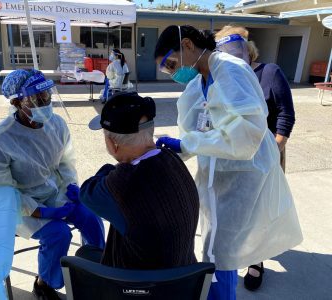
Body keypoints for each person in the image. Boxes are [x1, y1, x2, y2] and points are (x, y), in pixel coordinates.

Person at [154, 25, 302, 300]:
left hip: (245, 176)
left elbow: (247, 134)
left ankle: (220, 296)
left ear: (187, 45)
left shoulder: (231, 70)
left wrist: (187, 145)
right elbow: (190, 133)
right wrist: (166, 152)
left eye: (171, 64)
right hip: (215, 179)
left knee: (222, 252)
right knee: (217, 249)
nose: (174, 74)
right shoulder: (196, 86)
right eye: (167, 71)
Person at [0, 69, 105, 300]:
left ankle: (93, 268)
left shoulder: (56, 124)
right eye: (36, 98)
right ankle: (45, 283)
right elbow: (3, 194)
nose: (45, 103)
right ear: (16, 102)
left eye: (47, 95)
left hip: (53, 190)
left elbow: (65, 161)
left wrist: (71, 186)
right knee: (58, 234)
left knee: (91, 217)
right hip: (18, 204)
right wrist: (39, 211)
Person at [77, 91, 200, 269]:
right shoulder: (172, 159)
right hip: (181, 276)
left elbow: (87, 192)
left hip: (138, 285)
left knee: (83, 254)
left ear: (112, 143)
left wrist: (118, 167)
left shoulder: (123, 182)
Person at [215, 25, 296, 291]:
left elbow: (285, 115)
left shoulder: (269, 73)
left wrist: (274, 150)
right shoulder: (223, 77)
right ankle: (237, 252)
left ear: (248, 51)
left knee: (260, 211)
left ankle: (256, 261)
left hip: (265, 157)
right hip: (232, 159)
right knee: (234, 211)